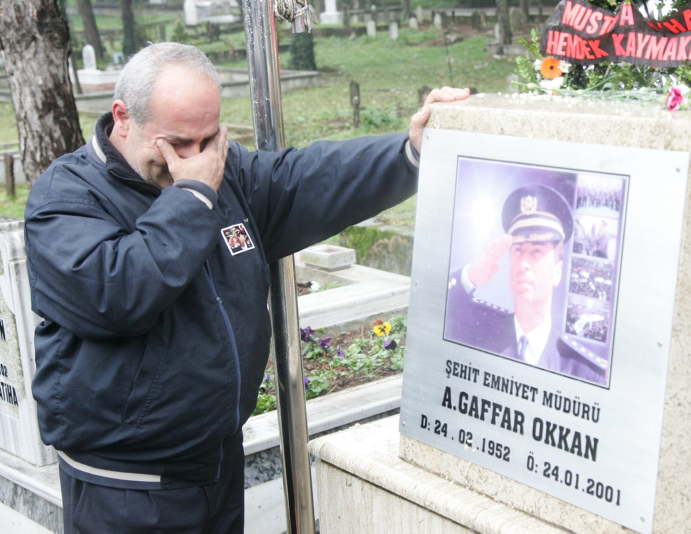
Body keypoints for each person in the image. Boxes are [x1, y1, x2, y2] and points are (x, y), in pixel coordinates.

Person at [24, 42, 469, 533]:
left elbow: (306, 179)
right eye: (177, 143)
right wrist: (193, 195)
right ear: (123, 117)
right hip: (127, 487)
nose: (194, 159)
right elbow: (119, 294)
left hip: (216, 464)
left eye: (208, 139)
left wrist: (409, 152)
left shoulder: (223, 168)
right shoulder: (66, 198)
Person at [445, 185, 606, 383]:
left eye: (536, 251)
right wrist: (469, 277)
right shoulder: (476, 333)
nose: (523, 263)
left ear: (557, 271)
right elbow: (432, 314)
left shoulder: (584, 372)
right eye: (518, 250)